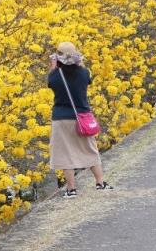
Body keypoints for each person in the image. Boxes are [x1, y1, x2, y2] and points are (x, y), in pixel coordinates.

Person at [47, 42, 113, 198]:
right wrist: (79, 62)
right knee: (90, 149)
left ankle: (71, 189)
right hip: (82, 118)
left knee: (65, 154)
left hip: (61, 118)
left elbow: (50, 82)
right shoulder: (84, 73)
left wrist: (54, 65)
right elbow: (86, 77)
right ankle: (100, 182)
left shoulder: (55, 76)